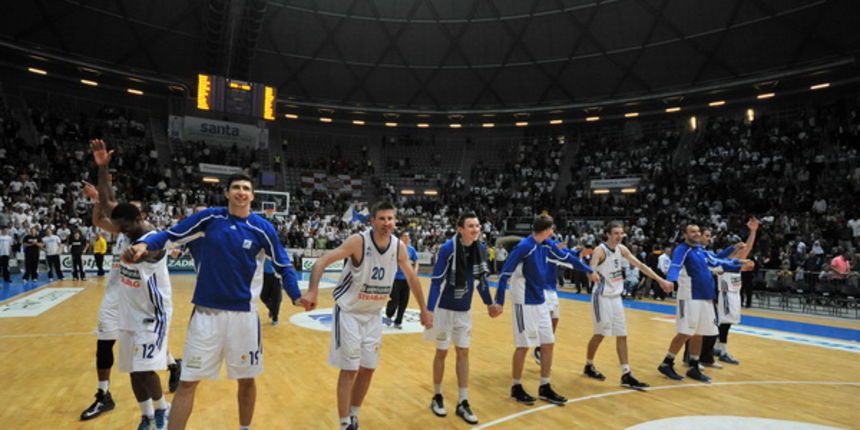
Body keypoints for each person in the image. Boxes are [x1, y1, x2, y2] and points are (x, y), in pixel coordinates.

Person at [126, 173, 310, 430]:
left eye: (246, 188)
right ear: (227, 193)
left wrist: (296, 295)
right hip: (205, 315)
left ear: (252, 196)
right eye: (236, 187)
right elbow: (171, 235)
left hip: (244, 317)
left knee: (246, 380)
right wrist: (145, 244)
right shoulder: (209, 217)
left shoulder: (262, 228)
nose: (241, 192)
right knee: (188, 382)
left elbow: (283, 264)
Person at [303, 201, 432, 430]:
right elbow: (321, 261)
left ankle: (354, 415)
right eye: (382, 218)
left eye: (390, 218)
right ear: (372, 221)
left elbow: (412, 278)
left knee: (369, 368)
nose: (387, 223)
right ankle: (344, 424)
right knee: (350, 368)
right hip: (349, 312)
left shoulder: (399, 247)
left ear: (395, 221)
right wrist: (313, 290)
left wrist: (424, 309)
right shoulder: (358, 241)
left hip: (373, 314)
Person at [493, 214, 596, 406]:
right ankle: (516, 387)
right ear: (548, 230)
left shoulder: (547, 246)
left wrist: (588, 270)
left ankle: (545, 386)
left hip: (540, 301)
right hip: (524, 302)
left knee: (548, 343)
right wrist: (498, 301)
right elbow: (504, 273)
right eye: (552, 229)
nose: (553, 233)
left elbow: (567, 258)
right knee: (523, 346)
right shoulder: (524, 247)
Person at [583, 222, 674, 390]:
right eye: (616, 233)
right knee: (600, 333)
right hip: (601, 297)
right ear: (608, 234)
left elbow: (640, 265)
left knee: (622, 334)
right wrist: (593, 274)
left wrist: (661, 280)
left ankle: (626, 373)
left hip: (616, 297)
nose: (619, 236)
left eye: (621, 233)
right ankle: (589, 365)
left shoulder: (622, 249)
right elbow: (591, 269)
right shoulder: (600, 250)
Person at [656, 223, 750, 383]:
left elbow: (716, 261)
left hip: (706, 296)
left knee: (700, 332)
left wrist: (738, 263)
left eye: (698, 231)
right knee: (685, 331)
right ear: (685, 234)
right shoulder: (682, 249)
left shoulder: (700, 251)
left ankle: (694, 365)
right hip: (689, 296)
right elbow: (675, 266)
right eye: (692, 232)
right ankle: (667, 362)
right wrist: (670, 281)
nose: (696, 234)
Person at [426, 213, 496, 425]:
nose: (475, 229)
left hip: (464, 310)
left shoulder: (481, 249)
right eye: (471, 226)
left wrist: (489, 303)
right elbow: (436, 281)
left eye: (477, 226)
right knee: (442, 352)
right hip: (444, 309)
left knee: (463, 352)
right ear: (460, 229)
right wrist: (429, 310)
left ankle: (463, 401)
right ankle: (437, 396)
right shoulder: (448, 249)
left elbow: (482, 281)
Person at [111, 202, 173, 430]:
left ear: (138, 218)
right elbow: (109, 204)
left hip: (152, 314)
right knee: (132, 369)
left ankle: (162, 410)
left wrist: (140, 252)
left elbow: (154, 251)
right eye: (117, 226)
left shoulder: (154, 238)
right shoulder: (125, 231)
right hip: (129, 312)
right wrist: (103, 171)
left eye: (123, 226)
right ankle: (146, 416)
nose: (120, 230)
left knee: (145, 368)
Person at [714, 218, 760, 364]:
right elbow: (744, 250)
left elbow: (749, 247)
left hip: (734, 295)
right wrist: (737, 248)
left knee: (725, 323)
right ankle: (723, 351)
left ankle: (716, 347)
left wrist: (753, 231)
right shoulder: (725, 264)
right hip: (725, 295)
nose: (743, 253)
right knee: (724, 324)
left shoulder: (736, 265)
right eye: (739, 250)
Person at [385, 231, 419, 329]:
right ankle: (389, 315)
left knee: (404, 301)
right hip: (395, 278)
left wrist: (414, 271)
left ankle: (398, 321)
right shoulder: (395, 248)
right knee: (394, 299)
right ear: (400, 238)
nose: (406, 238)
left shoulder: (411, 250)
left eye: (408, 236)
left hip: (406, 279)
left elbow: (416, 261)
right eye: (404, 236)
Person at [259, 258, 282, 325]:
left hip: (276, 277)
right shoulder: (263, 250)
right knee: (263, 296)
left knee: (276, 298)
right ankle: (272, 310)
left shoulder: (278, 252)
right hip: (264, 276)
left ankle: (275, 318)